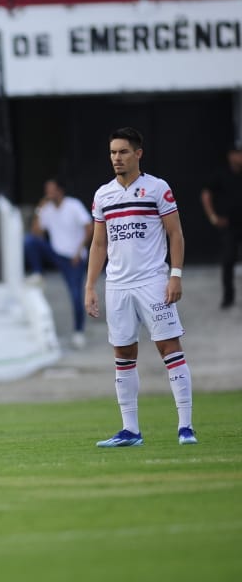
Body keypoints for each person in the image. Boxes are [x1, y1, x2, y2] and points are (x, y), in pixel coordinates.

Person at [85, 127, 197, 447]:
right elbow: (98, 243)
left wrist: (175, 274)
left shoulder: (157, 188)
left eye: (122, 152)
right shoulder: (103, 194)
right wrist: (90, 286)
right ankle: (130, 430)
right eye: (112, 153)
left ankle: (186, 427)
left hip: (152, 280)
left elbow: (175, 233)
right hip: (117, 285)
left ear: (138, 154)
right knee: (122, 353)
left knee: (169, 348)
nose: (116, 158)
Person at [24, 177, 94, 348]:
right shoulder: (46, 209)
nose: (48, 193)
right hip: (56, 254)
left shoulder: (73, 205)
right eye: (46, 190)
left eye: (51, 190)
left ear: (60, 191)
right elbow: (36, 233)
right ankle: (38, 273)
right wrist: (39, 209)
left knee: (76, 295)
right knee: (29, 241)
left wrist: (79, 251)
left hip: (73, 258)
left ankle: (78, 332)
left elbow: (89, 227)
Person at [200, 147, 242, 308]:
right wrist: (213, 217)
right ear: (231, 156)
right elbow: (206, 195)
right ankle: (228, 297)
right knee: (228, 259)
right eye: (238, 154)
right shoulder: (221, 175)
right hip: (229, 225)